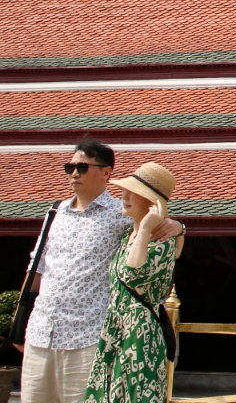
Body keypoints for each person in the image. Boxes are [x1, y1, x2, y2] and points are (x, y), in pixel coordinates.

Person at [20, 138, 183, 403]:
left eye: (82, 167)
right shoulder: (55, 212)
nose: (74, 174)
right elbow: (36, 269)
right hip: (41, 332)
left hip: (88, 336)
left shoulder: (120, 213)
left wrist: (179, 227)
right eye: (69, 168)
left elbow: (154, 223)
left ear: (106, 172)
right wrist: (20, 324)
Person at [85, 162, 182, 403]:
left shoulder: (162, 241)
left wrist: (149, 227)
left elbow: (133, 270)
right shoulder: (129, 236)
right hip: (116, 325)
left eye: (134, 193)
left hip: (139, 331)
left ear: (152, 203)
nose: (124, 196)